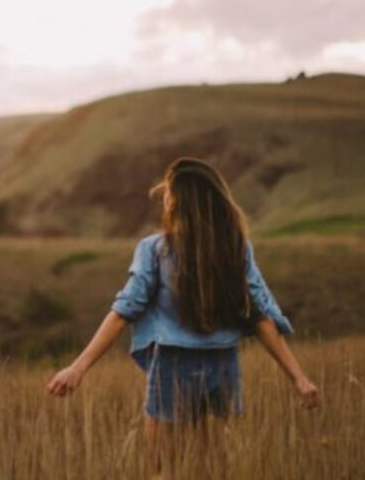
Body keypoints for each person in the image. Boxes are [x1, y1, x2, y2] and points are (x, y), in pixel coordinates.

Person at [45, 156, 320, 475]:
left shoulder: (154, 249)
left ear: (178, 201)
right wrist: (299, 378)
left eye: (168, 190)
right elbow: (260, 316)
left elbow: (124, 310)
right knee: (214, 470)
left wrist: (78, 368)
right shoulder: (236, 248)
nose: (163, 195)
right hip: (223, 365)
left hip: (174, 364)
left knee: (162, 470)